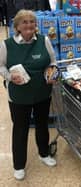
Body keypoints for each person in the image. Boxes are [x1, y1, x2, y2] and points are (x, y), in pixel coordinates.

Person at [0, 9, 57, 180]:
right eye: (24, 22)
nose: (29, 25)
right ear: (17, 26)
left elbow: (53, 61)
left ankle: (44, 154)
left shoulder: (44, 40)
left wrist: (52, 73)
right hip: (18, 95)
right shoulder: (6, 44)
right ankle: (18, 165)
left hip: (42, 92)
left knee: (42, 124)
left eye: (32, 22)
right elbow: (1, 66)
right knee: (20, 129)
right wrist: (10, 76)